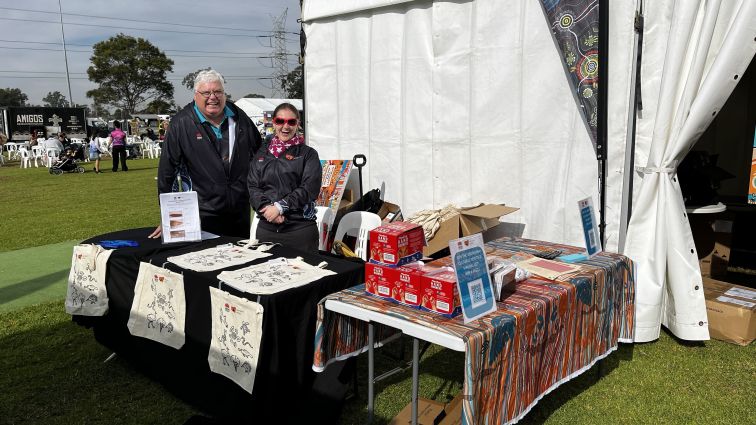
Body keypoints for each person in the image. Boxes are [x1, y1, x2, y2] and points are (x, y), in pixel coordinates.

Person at [150, 69, 262, 239]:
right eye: (206, 92)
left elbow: (259, 156)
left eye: (218, 92)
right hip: (201, 214)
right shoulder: (181, 123)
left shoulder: (239, 116)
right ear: (196, 95)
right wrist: (169, 216)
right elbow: (168, 172)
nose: (213, 97)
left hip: (239, 211)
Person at [248, 103, 322, 252]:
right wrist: (267, 208)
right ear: (274, 122)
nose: (285, 127)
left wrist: (280, 207)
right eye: (280, 121)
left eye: (291, 122)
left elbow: (309, 188)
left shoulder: (308, 154)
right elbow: (253, 186)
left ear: (298, 124)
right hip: (266, 229)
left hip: (299, 230)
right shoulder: (261, 153)